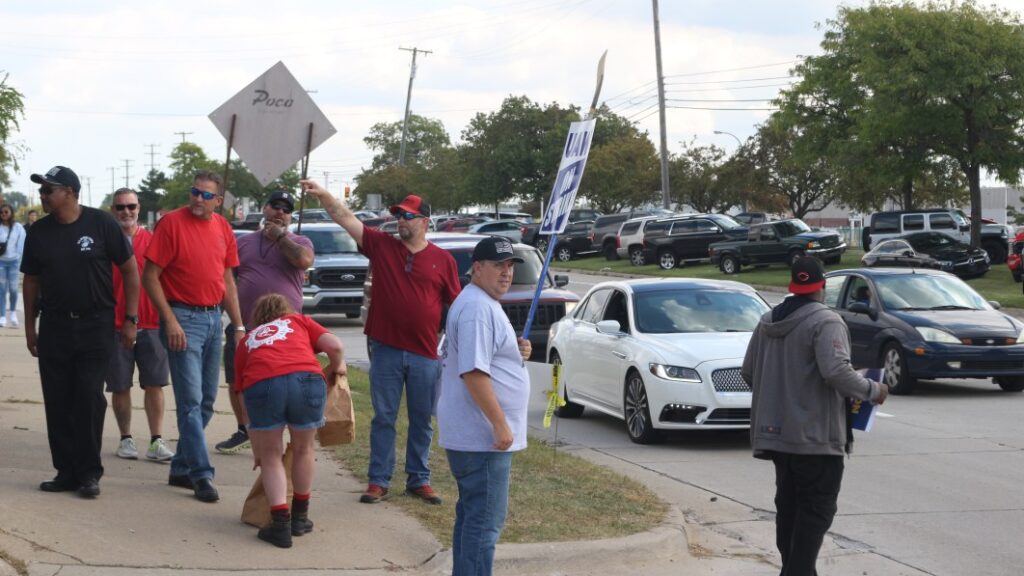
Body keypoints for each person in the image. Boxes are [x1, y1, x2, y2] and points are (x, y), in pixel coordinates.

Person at [301, 180, 460, 505]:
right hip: (385, 349)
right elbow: (345, 217)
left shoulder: (443, 261)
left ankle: (419, 479)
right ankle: (378, 481)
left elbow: (457, 307)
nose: (402, 221)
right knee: (384, 417)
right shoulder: (381, 246)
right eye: (399, 215)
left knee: (421, 420)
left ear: (425, 222)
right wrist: (325, 195)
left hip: (425, 353)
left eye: (409, 216)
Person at [741, 256, 889, 576]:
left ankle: (795, 569)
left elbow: (749, 372)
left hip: (778, 437)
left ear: (793, 286)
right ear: (822, 285)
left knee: (790, 509)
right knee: (817, 510)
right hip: (816, 438)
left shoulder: (767, 320)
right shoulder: (826, 321)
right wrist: (873, 390)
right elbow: (836, 372)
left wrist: (783, 395)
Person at [21, 165, 139, 498]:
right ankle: (66, 470)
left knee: (88, 397)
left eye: (49, 190)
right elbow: (31, 281)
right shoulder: (39, 232)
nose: (43, 196)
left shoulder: (101, 224)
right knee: (57, 399)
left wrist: (131, 318)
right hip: (55, 325)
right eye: (42, 191)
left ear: (70, 193)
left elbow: (130, 271)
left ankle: (89, 472)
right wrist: (31, 328)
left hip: (95, 324)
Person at [142, 170, 244, 503]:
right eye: (194, 192)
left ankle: (181, 467)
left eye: (205, 195)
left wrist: (238, 325)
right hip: (182, 318)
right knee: (190, 403)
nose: (198, 199)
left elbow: (227, 279)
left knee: (207, 404)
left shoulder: (223, 228)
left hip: (214, 318)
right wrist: (169, 320)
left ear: (219, 200)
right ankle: (202, 475)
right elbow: (150, 277)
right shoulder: (171, 223)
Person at [437, 236, 532, 576]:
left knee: (473, 518)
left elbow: (479, 356)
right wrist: (500, 423)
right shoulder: (477, 309)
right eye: (498, 265)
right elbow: (474, 373)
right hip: (482, 439)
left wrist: (514, 352)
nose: (506, 273)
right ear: (477, 268)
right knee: (483, 527)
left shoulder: (478, 302)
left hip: (474, 437)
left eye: (509, 266)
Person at [234, 293, 345, 548]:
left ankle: (280, 526)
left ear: (257, 318)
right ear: (286, 310)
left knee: (271, 457)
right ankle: (300, 518)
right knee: (304, 449)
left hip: (262, 386)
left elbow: (242, 399)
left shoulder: (247, 341)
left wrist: (255, 446)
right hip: (305, 380)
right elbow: (335, 346)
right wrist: (338, 366)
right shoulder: (298, 321)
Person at [215, 190, 314, 455]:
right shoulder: (244, 242)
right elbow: (228, 280)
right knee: (238, 381)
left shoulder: (300, 241)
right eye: (275, 206)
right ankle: (244, 429)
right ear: (264, 209)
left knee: (281, 381)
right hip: (246, 325)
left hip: (285, 331)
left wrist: (280, 237)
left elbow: (304, 261)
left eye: (286, 209)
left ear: (291, 216)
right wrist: (234, 320)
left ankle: (276, 432)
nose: (280, 212)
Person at [105, 188, 175, 462]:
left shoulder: (153, 241)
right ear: (113, 210)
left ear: (138, 207)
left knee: (154, 384)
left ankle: (156, 440)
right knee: (120, 385)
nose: (126, 212)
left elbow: (166, 279)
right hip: (115, 324)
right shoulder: (106, 243)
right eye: (120, 207)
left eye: (131, 207)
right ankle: (126, 439)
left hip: (153, 323)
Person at [0, 203, 26, 327]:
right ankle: (2, 316)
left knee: (14, 289)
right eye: (2, 212)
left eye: (6, 212)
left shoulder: (18, 228)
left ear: (11, 213)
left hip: (14, 262)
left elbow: (21, 245)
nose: (4, 214)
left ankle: (13, 313)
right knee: (1, 290)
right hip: (1, 262)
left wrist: (19, 260)